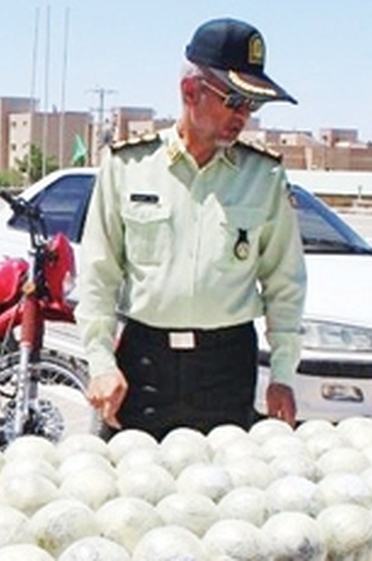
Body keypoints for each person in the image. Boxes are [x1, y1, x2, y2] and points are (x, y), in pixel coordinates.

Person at [75, 17, 307, 439]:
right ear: (189, 91)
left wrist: (283, 374)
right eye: (234, 100)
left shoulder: (263, 177)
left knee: (222, 495)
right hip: (143, 366)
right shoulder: (129, 166)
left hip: (226, 368)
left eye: (252, 106)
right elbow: (98, 274)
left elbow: (285, 283)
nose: (243, 117)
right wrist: (101, 364)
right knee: (130, 493)